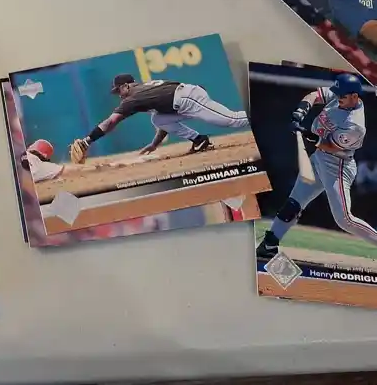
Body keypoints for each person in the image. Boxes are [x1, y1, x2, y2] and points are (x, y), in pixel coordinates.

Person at [257, 73, 377, 260]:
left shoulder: (355, 124)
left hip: (338, 165)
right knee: (293, 204)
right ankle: (269, 245)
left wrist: (308, 136)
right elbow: (314, 95)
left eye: (342, 96)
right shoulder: (341, 95)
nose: (337, 98)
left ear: (354, 96)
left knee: (344, 219)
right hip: (319, 158)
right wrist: (300, 112)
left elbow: (331, 146)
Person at [70, 73, 249, 162]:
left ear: (126, 86)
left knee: (231, 120)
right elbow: (164, 122)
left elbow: (111, 122)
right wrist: (155, 144)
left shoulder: (133, 98)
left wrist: (87, 141)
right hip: (182, 100)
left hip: (189, 98)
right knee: (158, 119)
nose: (119, 95)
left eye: (118, 91)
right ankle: (199, 140)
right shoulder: (145, 90)